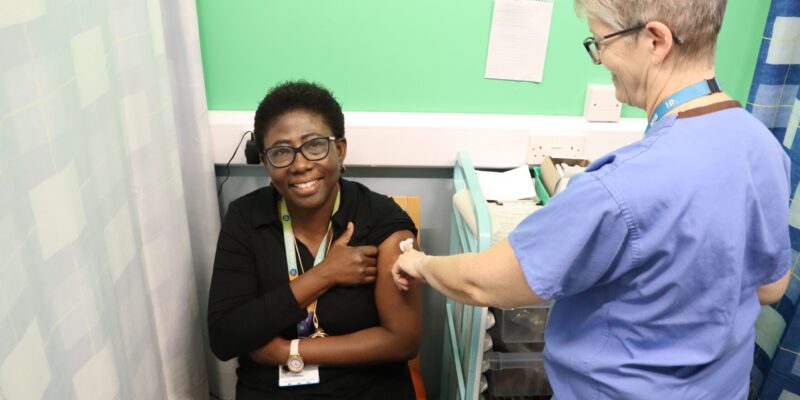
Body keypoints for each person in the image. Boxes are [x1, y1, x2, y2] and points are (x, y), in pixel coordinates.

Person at [392, 0, 791, 398]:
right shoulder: (761, 145)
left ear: (655, 41)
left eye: (602, 42)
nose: (599, 59)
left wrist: (420, 263)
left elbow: (481, 283)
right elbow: (771, 287)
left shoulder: (619, 187)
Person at [208, 81, 420, 399]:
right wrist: (324, 275)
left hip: (365, 390)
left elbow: (403, 340)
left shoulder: (382, 220)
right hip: (271, 390)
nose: (300, 164)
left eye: (315, 145)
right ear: (265, 161)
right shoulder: (245, 218)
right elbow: (225, 338)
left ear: (340, 150)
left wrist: (288, 352)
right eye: (281, 151)